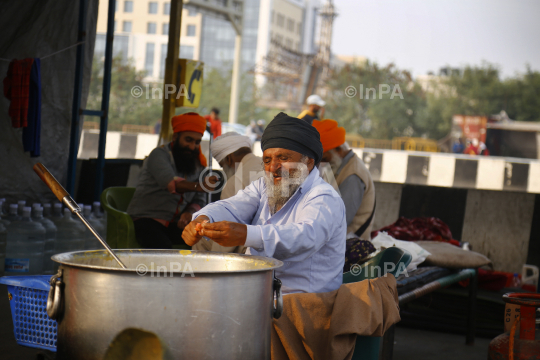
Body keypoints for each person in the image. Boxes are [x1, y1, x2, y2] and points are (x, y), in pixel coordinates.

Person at [183, 112, 346, 294]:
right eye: (267, 160)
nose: (273, 168)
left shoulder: (323, 196)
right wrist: (203, 218)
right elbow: (231, 205)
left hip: (304, 306)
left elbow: (305, 237)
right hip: (261, 298)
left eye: (283, 158)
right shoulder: (264, 185)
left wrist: (247, 234)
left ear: (307, 163)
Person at [127, 112, 217, 248]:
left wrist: (189, 213)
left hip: (174, 224)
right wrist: (198, 186)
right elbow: (172, 184)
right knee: (165, 252)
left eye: (197, 142)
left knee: (205, 243)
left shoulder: (197, 164)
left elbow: (199, 200)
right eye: (188, 140)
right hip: (147, 220)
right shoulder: (159, 155)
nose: (192, 147)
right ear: (175, 136)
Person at [192, 132, 264, 253]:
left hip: (252, 248)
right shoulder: (268, 165)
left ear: (229, 159)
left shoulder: (235, 182)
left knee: (201, 238)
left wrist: (216, 262)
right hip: (275, 239)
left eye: (222, 166)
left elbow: (227, 230)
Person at [313, 119, 376, 240]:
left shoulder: (353, 175)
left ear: (338, 150)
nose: (322, 163)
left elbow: (339, 221)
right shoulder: (335, 166)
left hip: (349, 246)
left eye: (325, 157)